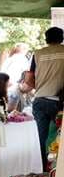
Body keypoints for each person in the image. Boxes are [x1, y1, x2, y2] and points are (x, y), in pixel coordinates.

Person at [30, 27, 64, 167]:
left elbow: (29, 78)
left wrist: (39, 88)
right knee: (59, 139)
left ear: (46, 39)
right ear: (62, 38)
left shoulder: (37, 54)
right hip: (59, 102)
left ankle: (43, 170)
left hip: (39, 100)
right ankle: (57, 171)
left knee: (41, 138)